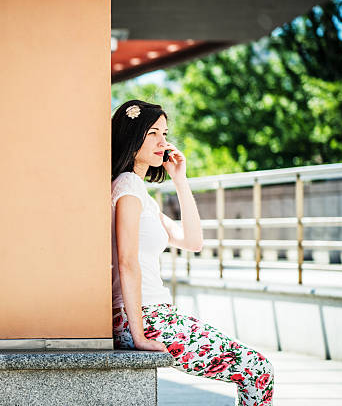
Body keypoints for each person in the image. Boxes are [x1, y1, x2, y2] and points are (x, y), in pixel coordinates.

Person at [111, 100, 273, 406]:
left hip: (153, 315)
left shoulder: (136, 191)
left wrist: (180, 180)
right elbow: (127, 263)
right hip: (148, 317)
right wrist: (139, 334)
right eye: (153, 133)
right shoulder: (128, 189)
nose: (163, 141)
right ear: (132, 138)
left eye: (165, 133)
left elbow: (192, 241)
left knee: (256, 368)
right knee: (256, 369)